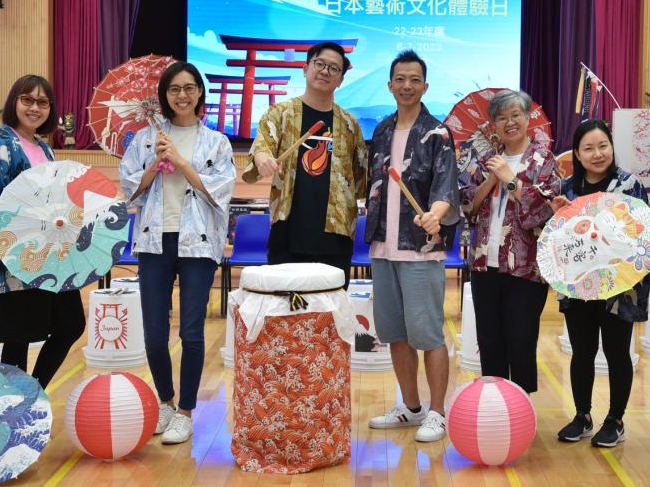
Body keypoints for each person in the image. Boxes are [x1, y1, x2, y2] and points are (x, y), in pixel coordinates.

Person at [120, 62, 235, 445]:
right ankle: (165, 402)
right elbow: (129, 191)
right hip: (154, 241)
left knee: (191, 331)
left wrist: (182, 162)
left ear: (200, 92)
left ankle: (186, 411)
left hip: (197, 245)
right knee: (154, 332)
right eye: (174, 89)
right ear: (164, 96)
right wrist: (155, 164)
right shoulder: (145, 139)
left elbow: (220, 192)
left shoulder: (216, 142)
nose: (182, 95)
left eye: (188, 88)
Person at [364, 51, 460, 443]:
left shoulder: (438, 133)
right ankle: (410, 407)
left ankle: (437, 413)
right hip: (382, 248)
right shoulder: (381, 131)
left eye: (414, 79)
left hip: (421, 249)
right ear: (390, 85)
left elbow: (446, 187)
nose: (407, 85)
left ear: (425, 86)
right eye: (400, 79)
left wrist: (436, 215)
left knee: (428, 334)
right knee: (395, 333)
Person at [0, 75, 86, 389]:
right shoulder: (0, 145)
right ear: (14, 101)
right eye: (27, 100)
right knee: (18, 338)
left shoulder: (43, 148)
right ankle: (15, 405)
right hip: (15, 255)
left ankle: (32, 392)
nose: (34, 108)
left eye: (42, 102)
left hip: (51, 253)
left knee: (71, 323)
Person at [552, 119, 650, 447]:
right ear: (577, 154)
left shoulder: (629, 185)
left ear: (611, 146)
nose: (597, 154)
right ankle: (582, 416)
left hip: (619, 285)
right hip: (578, 284)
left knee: (617, 351)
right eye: (589, 148)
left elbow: (644, 232)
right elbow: (557, 240)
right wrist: (557, 216)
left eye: (603, 146)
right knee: (582, 351)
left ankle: (615, 420)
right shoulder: (566, 189)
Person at [459, 89, 558, 394]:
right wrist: (492, 178)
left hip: (525, 268)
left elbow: (544, 210)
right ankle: (495, 405)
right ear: (493, 124)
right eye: (501, 117)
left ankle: (521, 408)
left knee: (521, 340)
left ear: (527, 118)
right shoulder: (486, 160)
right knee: (489, 340)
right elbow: (468, 207)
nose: (509, 122)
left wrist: (510, 179)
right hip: (484, 264)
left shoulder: (543, 158)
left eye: (516, 115)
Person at [248, 42, 367, 282]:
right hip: (288, 228)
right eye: (319, 64)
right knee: (286, 301)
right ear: (305, 68)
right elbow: (262, 147)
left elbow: (361, 175)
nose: (325, 71)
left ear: (341, 79)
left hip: (336, 233)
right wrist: (263, 160)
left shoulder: (349, 124)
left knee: (331, 302)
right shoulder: (280, 113)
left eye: (334, 68)